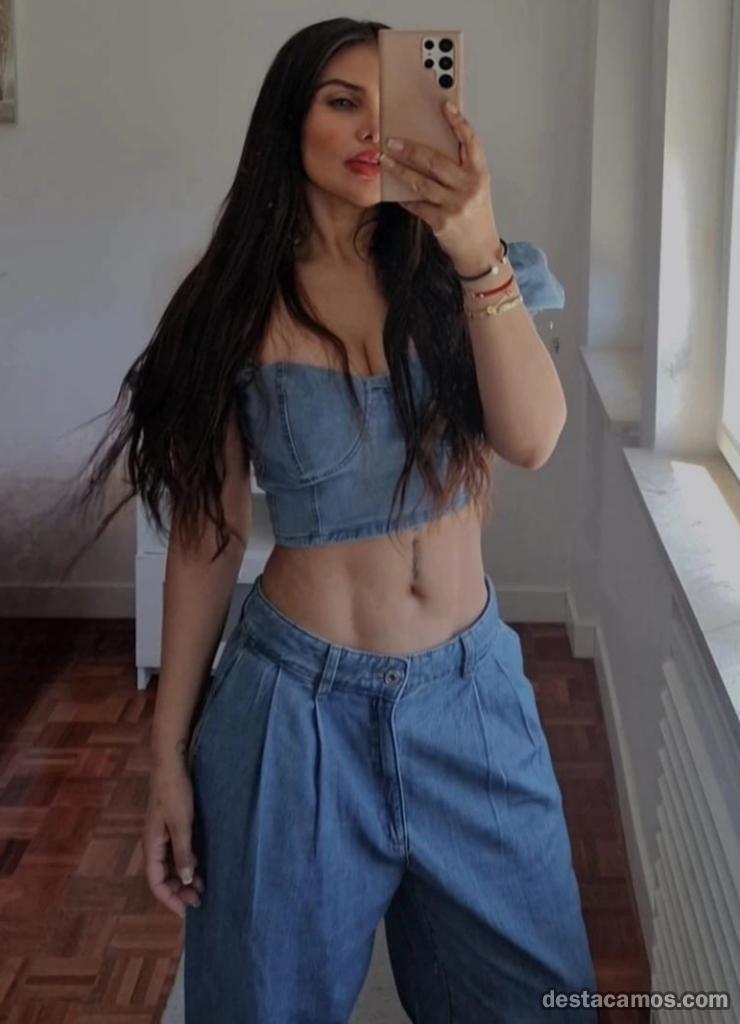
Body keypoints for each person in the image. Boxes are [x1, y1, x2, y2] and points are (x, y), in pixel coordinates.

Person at [58, 15, 597, 1023]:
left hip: (471, 704)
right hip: (292, 715)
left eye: (392, 105)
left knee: (537, 1001)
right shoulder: (229, 305)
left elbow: (531, 440)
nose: (370, 129)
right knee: (261, 1004)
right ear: (287, 122)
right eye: (340, 102)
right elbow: (206, 537)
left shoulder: (463, 271)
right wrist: (166, 756)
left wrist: (475, 248)